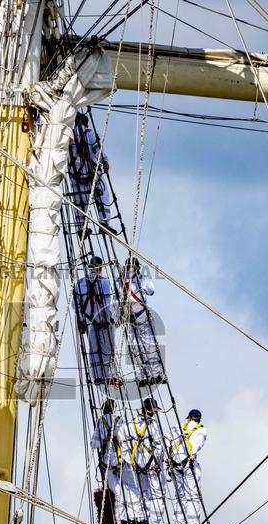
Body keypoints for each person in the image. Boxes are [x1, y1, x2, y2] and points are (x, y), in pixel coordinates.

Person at [118, 398, 165, 524]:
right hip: (151, 465)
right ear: (150, 409)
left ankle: (141, 519)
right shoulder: (153, 424)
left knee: (142, 493)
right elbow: (158, 445)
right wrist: (157, 464)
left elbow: (124, 446)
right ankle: (154, 522)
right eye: (155, 410)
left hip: (137, 466)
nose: (155, 413)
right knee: (156, 493)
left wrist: (132, 463)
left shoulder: (129, 424)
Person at [122, 257, 166, 386]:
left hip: (140, 314)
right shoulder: (123, 281)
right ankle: (144, 375)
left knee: (148, 346)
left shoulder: (141, 280)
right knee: (137, 348)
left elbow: (151, 291)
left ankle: (155, 374)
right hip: (130, 316)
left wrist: (140, 281)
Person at [68, 111, 112, 233]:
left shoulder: (68, 135)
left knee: (80, 201)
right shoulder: (89, 133)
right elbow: (97, 149)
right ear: (86, 123)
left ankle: (81, 228)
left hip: (75, 174)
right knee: (103, 194)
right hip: (91, 171)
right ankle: (104, 223)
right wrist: (105, 162)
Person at [74, 255, 116, 385]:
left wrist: (81, 320)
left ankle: (98, 377)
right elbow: (108, 301)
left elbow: (76, 304)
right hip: (102, 319)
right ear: (100, 268)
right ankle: (109, 375)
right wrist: (108, 318)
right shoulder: (105, 282)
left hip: (88, 320)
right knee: (107, 348)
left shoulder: (80, 283)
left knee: (93, 349)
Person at [167, 408, 208, 524]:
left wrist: (167, 459)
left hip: (174, 464)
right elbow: (198, 444)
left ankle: (179, 523)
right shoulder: (201, 430)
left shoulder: (177, 427)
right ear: (199, 419)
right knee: (193, 496)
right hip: (189, 464)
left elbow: (167, 441)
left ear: (189, 417)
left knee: (180, 494)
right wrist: (191, 455)